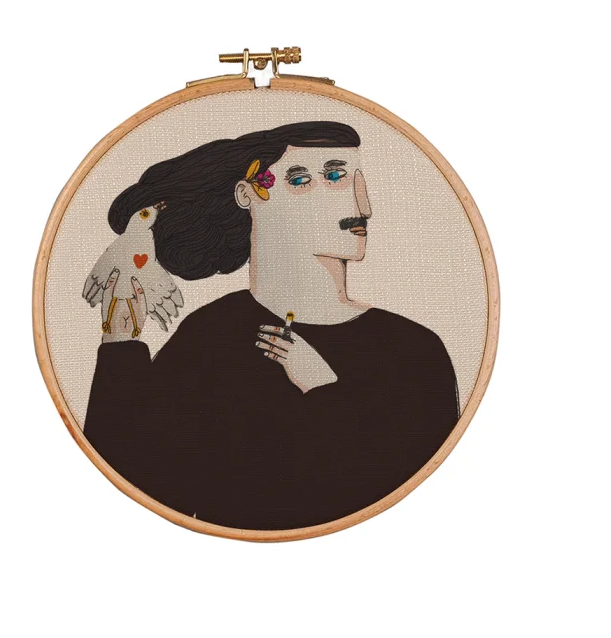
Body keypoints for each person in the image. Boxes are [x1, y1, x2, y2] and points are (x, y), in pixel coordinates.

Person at [83, 121, 459, 531]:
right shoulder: (209, 336)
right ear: (247, 195)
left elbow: (419, 503)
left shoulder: (415, 351)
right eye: (324, 177)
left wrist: (325, 390)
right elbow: (140, 489)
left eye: (355, 178)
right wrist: (120, 346)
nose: (361, 205)